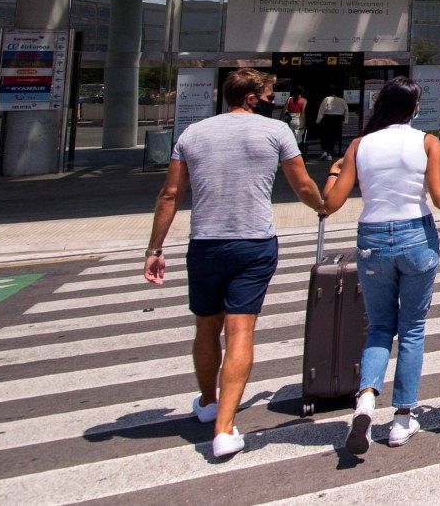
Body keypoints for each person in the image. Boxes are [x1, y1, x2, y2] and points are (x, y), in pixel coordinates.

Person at [145, 69, 325, 459]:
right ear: (250, 97)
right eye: (268, 93)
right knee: (240, 329)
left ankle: (208, 402)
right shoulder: (276, 133)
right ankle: (224, 429)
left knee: (206, 326)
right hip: (254, 242)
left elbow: (170, 194)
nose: (271, 99)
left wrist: (155, 248)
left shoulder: (192, 133)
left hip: (205, 243)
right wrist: (323, 207)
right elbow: (303, 185)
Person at [322, 76, 440, 454]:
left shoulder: (358, 145)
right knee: (413, 328)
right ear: (414, 108)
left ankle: (365, 400)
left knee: (379, 327)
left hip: (372, 240)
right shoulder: (427, 142)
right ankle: (402, 418)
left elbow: (330, 204)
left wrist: (334, 172)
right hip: (416, 237)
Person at [317, 89, 348, 158]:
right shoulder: (342, 100)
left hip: (327, 118)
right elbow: (346, 111)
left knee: (325, 135)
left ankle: (324, 151)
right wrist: (345, 121)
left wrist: (318, 120)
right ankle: (330, 153)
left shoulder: (326, 99)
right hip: (338, 119)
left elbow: (321, 110)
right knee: (333, 136)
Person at [285, 86, 308, 151]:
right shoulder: (304, 100)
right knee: (298, 138)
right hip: (298, 120)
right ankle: (297, 153)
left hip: (290, 120)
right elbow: (303, 112)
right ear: (302, 92)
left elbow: (284, 110)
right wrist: (304, 123)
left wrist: (280, 119)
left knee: (291, 137)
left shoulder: (289, 99)